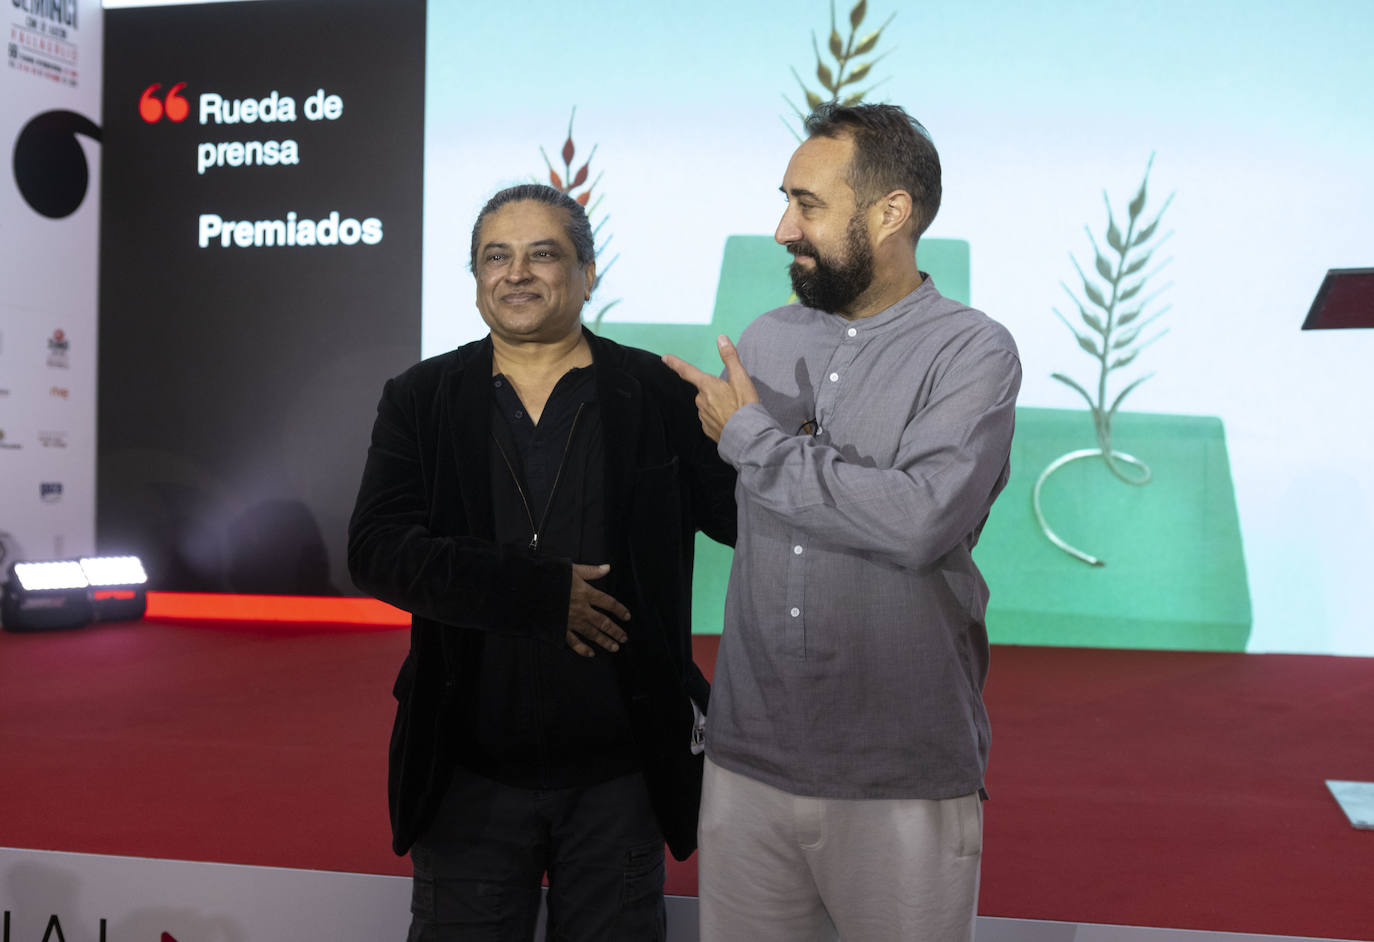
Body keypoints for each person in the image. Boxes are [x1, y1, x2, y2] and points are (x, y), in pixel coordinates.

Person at [664, 103, 1022, 941]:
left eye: (809, 204)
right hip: (746, 758)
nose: (783, 225)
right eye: (786, 199)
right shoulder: (767, 335)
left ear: (891, 212)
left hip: (898, 768)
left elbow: (919, 520)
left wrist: (753, 439)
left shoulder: (972, 351)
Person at [348, 183, 737, 942]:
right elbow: (375, 552)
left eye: (542, 255)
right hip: (468, 770)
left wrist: (757, 437)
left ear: (588, 273)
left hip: (621, 772)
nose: (516, 273)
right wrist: (535, 594)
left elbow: (743, 524)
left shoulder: (658, 394)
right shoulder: (421, 398)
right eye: (496, 257)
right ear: (475, 278)